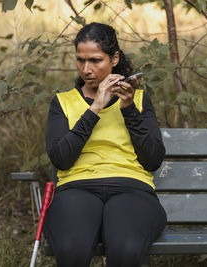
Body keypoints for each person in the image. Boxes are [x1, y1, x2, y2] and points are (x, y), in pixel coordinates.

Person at [44, 22, 167, 267]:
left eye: (95, 60)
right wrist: (95, 107)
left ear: (114, 59)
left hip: (131, 189)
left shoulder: (139, 100)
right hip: (77, 188)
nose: (86, 69)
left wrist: (129, 109)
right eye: (80, 60)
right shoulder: (62, 102)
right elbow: (61, 158)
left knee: (125, 251)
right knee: (71, 250)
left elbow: (153, 160)